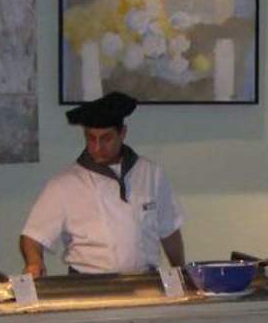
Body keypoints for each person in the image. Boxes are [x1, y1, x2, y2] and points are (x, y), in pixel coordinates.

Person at [19, 91, 185, 276]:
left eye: (106, 138)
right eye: (91, 138)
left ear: (122, 133)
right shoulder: (64, 185)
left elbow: (169, 231)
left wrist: (182, 273)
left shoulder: (151, 174)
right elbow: (32, 236)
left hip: (146, 280)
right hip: (88, 284)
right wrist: (34, 262)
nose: (97, 147)